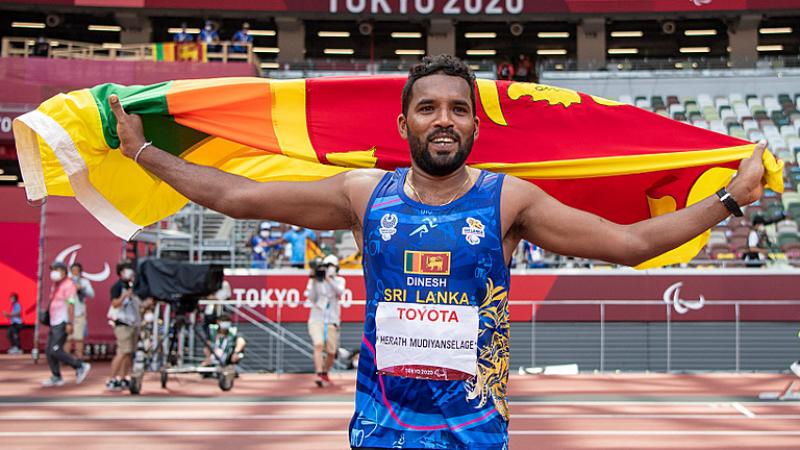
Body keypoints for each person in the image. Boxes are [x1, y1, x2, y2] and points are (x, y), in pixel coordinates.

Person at [108, 54, 769, 450]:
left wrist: (732, 200)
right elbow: (240, 197)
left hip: (476, 434)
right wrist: (142, 151)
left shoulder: (510, 202)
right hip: (382, 430)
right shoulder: (364, 194)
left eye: (458, 108)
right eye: (428, 108)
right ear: (404, 125)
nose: (444, 119)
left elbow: (629, 245)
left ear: (477, 125)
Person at [42, 262, 91, 387]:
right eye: (52, 269)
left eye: (56, 269)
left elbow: (71, 303)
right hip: (54, 321)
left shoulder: (69, 285)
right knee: (49, 350)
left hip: (62, 322)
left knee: (55, 350)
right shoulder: (56, 285)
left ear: (63, 271)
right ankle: (56, 376)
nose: (53, 272)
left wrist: (70, 322)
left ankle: (80, 365)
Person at [305, 255, 345, 387]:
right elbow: (311, 298)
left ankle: (324, 372)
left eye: (330, 267)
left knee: (331, 351)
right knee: (318, 344)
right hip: (317, 318)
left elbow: (340, 292)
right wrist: (315, 280)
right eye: (326, 267)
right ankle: (318, 372)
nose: (327, 269)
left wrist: (328, 279)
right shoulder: (316, 281)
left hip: (332, 319)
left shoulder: (339, 281)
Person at [106, 260, 141, 391]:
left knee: (128, 353)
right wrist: (125, 295)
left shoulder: (131, 285)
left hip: (132, 323)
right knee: (122, 351)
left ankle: (123, 377)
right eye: (127, 269)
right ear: (121, 272)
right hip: (122, 323)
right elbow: (115, 303)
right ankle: (112, 378)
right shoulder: (118, 286)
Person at [66, 262, 94, 359]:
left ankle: (79, 358)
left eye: (77, 271)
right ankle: (66, 359)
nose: (75, 273)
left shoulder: (84, 282)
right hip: (67, 314)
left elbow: (91, 294)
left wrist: (81, 289)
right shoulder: (67, 282)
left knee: (79, 338)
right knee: (67, 338)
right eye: (73, 271)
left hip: (79, 313)